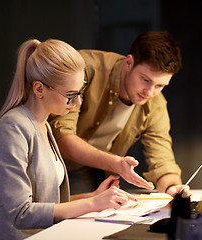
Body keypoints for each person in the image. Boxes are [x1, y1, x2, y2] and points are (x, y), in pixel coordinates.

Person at [0, 39, 139, 240]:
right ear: (39, 89)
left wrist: (92, 197)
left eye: (81, 92)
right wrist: (92, 205)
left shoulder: (43, 125)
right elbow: (22, 213)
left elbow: (46, 202)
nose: (78, 102)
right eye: (71, 95)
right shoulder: (12, 129)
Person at [49, 31, 188, 196]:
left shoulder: (155, 105)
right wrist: (116, 163)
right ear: (129, 62)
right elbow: (62, 138)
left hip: (99, 170)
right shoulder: (85, 69)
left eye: (160, 86)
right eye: (145, 80)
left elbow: (162, 160)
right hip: (52, 162)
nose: (150, 92)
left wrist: (172, 188)